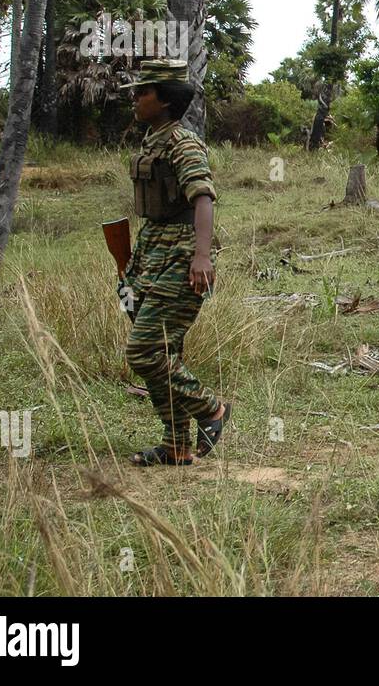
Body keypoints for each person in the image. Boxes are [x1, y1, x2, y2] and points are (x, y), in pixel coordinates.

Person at [121, 58, 231, 466]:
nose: (135, 98)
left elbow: (202, 197)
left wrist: (202, 257)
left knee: (144, 350)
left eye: (143, 92)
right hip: (151, 251)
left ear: (164, 101)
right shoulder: (154, 140)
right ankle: (177, 445)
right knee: (167, 352)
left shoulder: (183, 142)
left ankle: (211, 410)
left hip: (182, 254)